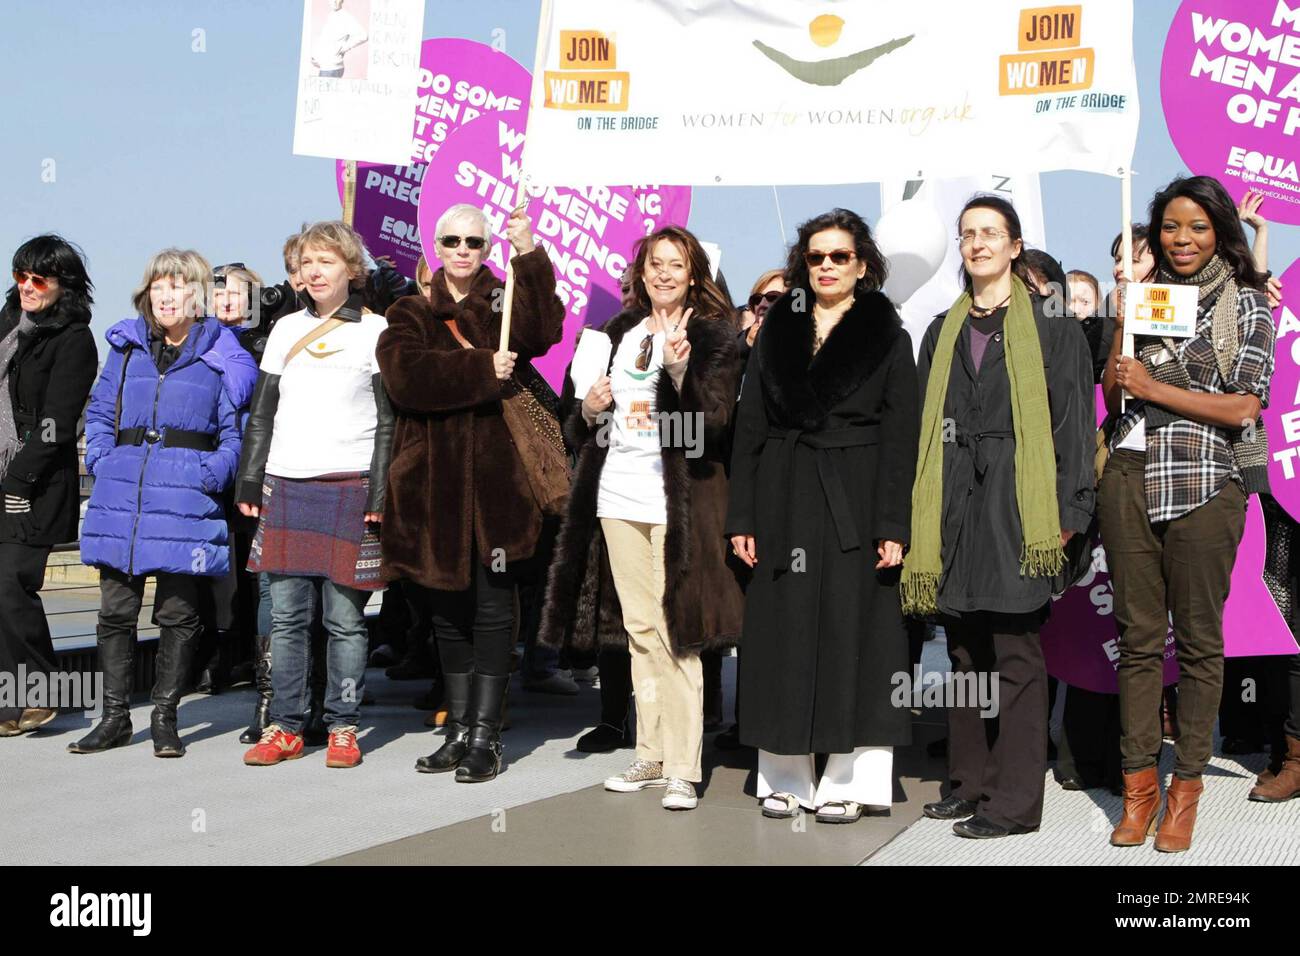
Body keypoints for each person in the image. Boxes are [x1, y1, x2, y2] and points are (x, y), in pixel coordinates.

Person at [906, 194, 1094, 839]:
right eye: (968, 235)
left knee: (1015, 652)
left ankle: (1013, 804)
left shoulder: (1054, 324)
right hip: (953, 503)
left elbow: (1073, 422)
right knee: (962, 651)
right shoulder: (943, 328)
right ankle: (969, 783)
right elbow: (923, 435)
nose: (978, 243)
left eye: (991, 233)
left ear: (1015, 247)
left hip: (1021, 504)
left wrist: (1071, 513)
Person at [539, 225, 743, 811]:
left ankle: (683, 764)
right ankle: (649, 753)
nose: (663, 274)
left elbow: (713, 426)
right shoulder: (618, 332)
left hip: (676, 503)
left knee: (679, 631)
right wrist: (588, 407)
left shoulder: (714, 337)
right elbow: (579, 429)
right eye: (655, 263)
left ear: (693, 272)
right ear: (641, 271)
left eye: (676, 265)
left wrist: (680, 376)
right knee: (639, 633)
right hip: (617, 497)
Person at [726, 209, 919, 822]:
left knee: (854, 634)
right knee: (781, 633)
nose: (828, 267)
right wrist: (742, 515)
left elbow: (902, 436)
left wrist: (894, 524)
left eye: (840, 256)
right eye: (816, 257)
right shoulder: (779, 324)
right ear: (802, 264)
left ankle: (850, 781)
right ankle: (784, 775)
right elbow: (751, 423)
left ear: (863, 264)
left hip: (855, 499)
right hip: (782, 493)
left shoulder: (888, 332)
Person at [1103, 175, 1275, 851]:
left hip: (1208, 483)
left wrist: (1153, 385)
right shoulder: (1146, 300)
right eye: (1171, 226)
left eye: (1198, 226)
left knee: (1200, 643)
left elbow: (1243, 408)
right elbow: (1117, 387)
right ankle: (1138, 789)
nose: (1182, 239)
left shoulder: (1248, 302)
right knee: (1138, 642)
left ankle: (1186, 791)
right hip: (1130, 475)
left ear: (1220, 231)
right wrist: (1121, 346)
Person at [375, 202, 563, 782]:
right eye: (452, 240)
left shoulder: (503, 300)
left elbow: (543, 331)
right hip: (431, 486)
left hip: (497, 486)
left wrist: (528, 251)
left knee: (490, 610)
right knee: (446, 612)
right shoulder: (408, 310)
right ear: (436, 245)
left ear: (486, 248)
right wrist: (484, 369)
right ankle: (455, 729)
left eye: (475, 242)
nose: (463, 250)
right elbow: (407, 379)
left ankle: (485, 733)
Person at [70, 249, 258, 757]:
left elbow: (232, 431)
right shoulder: (126, 349)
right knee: (116, 611)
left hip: (185, 498)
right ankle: (113, 719)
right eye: (158, 285)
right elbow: (100, 413)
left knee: (178, 613)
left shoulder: (219, 354)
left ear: (196, 295)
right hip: (122, 496)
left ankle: (165, 717)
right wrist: (105, 461)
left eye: (177, 286)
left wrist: (209, 475)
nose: (166, 295)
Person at [237, 221, 393, 770]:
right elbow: (262, 414)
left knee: (346, 621)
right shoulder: (282, 331)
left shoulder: (377, 332)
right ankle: (285, 725)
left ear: (352, 270)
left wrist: (380, 488)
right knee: (285, 618)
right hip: (286, 483)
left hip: (351, 485)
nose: (314, 271)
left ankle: (344, 725)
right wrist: (251, 478)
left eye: (326, 261)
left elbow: (388, 422)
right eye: (307, 263)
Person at [0, 237, 99, 737]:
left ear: (64, 285)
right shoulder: (7, 328)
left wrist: (17, 476)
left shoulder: (74, 339)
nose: (27, 287)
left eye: (39, 279)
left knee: (12, 587)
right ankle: (10, 705)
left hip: (33, 485)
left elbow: (58, 424)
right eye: (21, 275)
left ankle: (39, 696)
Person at [193, 262, 267, 695]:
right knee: (213, 570)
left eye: (234, 293)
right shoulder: (197, 340)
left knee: (251, 567)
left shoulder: (261, 344)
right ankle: (216, 657)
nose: (223, 300)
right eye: (216, 292)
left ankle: (254, 659)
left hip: (249, 469)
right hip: (209, 469)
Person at [311, 0, 367, 78]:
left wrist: (345, 47)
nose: (334, 1)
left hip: (331, 68)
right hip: (326, 66)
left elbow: (364, 36)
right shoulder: (331, 15)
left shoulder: (346, 17)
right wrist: (316, 57)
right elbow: (327, 40)